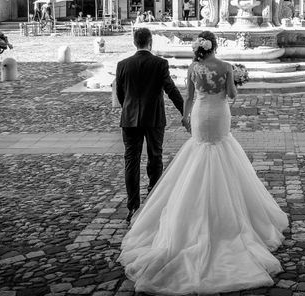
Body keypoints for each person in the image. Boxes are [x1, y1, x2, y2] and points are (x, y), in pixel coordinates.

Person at [119, 31, 288, 295]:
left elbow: (188, 98)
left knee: (197, 153)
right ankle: (227, 219)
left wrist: (186, 118)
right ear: (215, 46)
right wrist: (236, 80)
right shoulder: (225, 67)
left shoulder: (193, 67)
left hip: (199, 114)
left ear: (199, 47)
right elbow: (231, 95)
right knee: (222, 149)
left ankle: (181, 212)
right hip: (219, 114)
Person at [114, 27, 184, 225]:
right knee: (155, 158)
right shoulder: (160, 64)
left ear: (135, 43)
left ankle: (133, 206)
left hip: (129, 119)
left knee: (131, 161)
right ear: (150, 42)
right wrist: (185, 113)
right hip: (153, 119)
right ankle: (153, 200)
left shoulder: (122, 65)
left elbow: (121, 94)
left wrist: (128, 109)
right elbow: (171, 90)